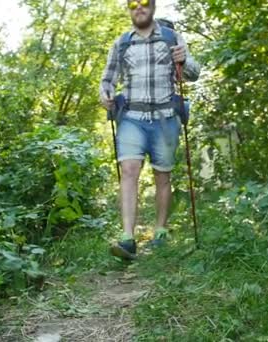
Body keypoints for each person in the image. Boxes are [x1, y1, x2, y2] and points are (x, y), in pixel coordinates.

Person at [99, 0, 200, 259]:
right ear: (129, 9)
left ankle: (160, 230)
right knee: (129, 171)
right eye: (133, 3)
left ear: (152, 6)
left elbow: (193, 74)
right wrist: (106, 94)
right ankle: (127, 238)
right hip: (132, 117)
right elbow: (107, 80)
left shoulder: (171, 37)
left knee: (162, 176)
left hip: (165, 117)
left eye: (144, 2)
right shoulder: (121, 43)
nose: (138, 7)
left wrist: (184, 59)